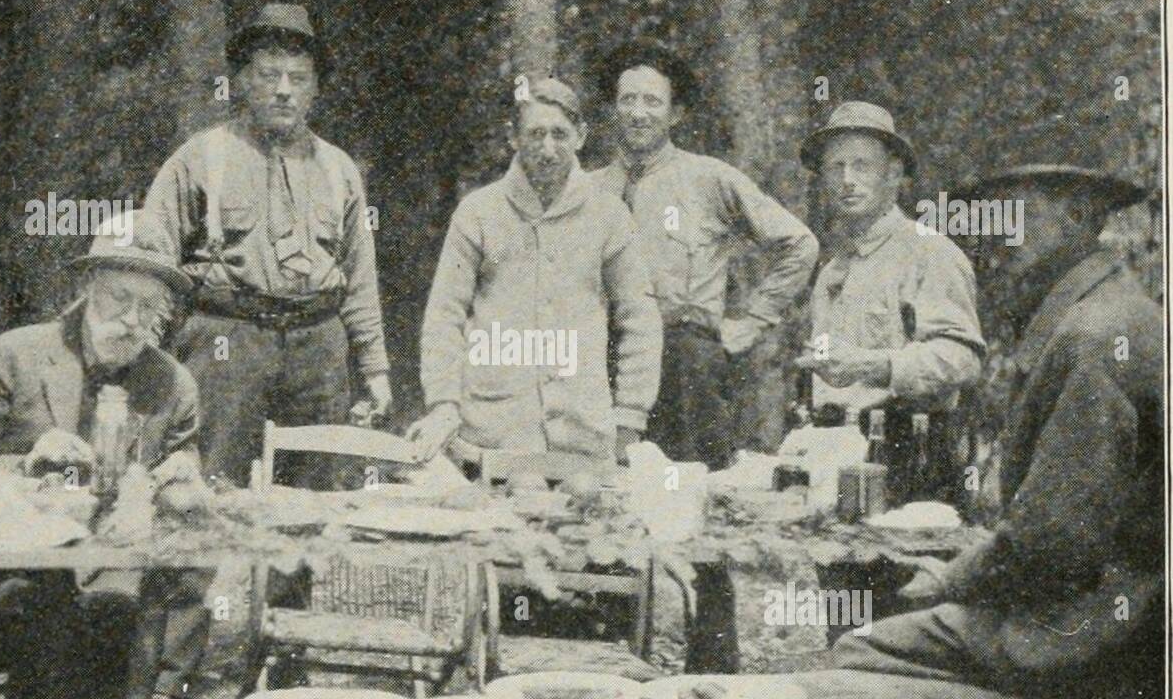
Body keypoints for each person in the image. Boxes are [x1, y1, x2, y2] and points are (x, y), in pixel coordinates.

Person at [834, 123, 1163, 699]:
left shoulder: (1094, 336)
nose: (997, 235)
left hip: (1089, 636)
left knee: (857, 650)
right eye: (991, 216)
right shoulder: (1110, 308)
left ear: (1079, 216)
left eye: (1016, 215)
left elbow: (1055, 536)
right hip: (1104, 612)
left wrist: (945, 582)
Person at [0, 212, 204, 699]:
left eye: (149, 306)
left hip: (111, 573)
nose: (132, 319)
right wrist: (25, 463)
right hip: (3, 577)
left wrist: (181, 472)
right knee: (58, 614)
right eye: (118, 299)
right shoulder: (12, 355)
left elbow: (185, 459)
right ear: (88, 286)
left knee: (117, 613)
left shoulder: (171, 383)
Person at [146, 3, 390, 489]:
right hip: (227, 343)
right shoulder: (199, 159)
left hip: (318, 347)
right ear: (241, 81)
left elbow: (360, 278)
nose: (284, 89)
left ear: (315, 89)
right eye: (269, 74)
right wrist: (143, 363)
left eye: (299, 78)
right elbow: (152, 267)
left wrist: (376, 370)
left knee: (318, 495)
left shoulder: (339, 169)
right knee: (214, 488)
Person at [408, 77, 662, 468]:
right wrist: (444, 404)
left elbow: (640, 318)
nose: (547, 149)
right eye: (535, 134)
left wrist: (630, 414)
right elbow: (445, 315)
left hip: (581, 441)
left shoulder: (609, 216)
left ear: (580, 136)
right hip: (492, 438)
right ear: (514, 137)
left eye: (559, 135)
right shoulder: (478, 213)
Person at [590, 38, 818, 469]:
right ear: (613, 108)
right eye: (628, 100)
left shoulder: (709, 179)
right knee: (601, 497)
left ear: (676, 113)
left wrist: (751, 322)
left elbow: (800, 244)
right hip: (603, 365)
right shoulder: (586, 191)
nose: (639, 113)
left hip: (685, 369)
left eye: (653, 102)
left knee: (692, 496)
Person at [795, 101, 984, 504]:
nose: (847, 180)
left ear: (893, 175)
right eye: (835, 167)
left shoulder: (928, 253)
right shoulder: (832, 270)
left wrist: (873, 365)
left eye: (862, 166)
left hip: (910, 450)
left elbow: (963, 358)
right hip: (837, 451)